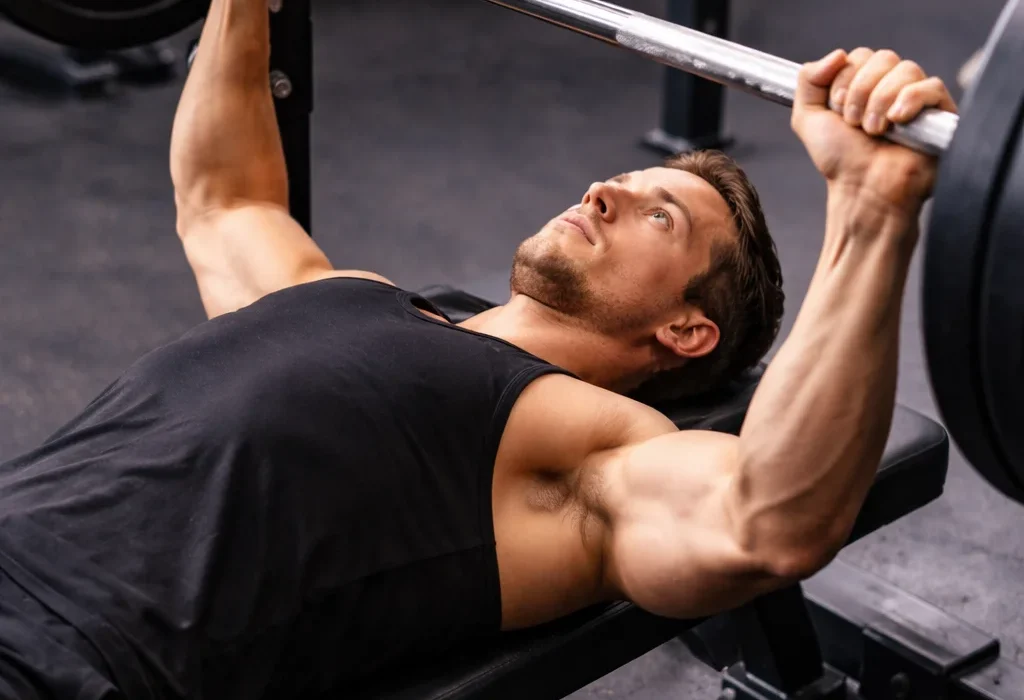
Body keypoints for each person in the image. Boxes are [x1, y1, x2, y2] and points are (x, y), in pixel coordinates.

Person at [0, 0, 957, 695]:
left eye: (657, 215)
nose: (602, 195)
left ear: (686, 331)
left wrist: (870, 208)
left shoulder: (585, 449)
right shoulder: (345, 296)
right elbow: (227, 199)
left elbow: (764, 522)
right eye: (616, 183)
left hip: (66, 662)